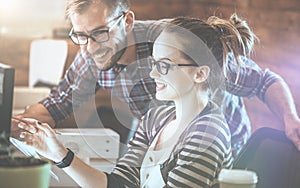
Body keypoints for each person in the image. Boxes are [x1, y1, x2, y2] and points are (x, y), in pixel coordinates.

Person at [13, 0, 300, 158]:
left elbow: (264, 82)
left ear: (126, 21)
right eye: (80, 36)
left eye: (99, 33)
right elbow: (57, 104)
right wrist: (11, 126)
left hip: (223, 153)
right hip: (164, 153)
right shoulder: (91, 54)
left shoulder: (179, 43)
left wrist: (290, 121)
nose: (89, 46)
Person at [18, 15, 241, 188]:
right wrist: (59, 154)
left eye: (163, 65)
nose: (153, 74)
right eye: (153, 63)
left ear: (200, 74)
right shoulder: (156, 118)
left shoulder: (207, 135)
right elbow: (121, 183)